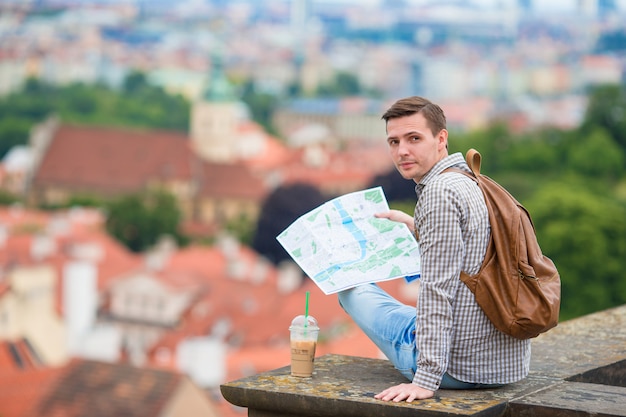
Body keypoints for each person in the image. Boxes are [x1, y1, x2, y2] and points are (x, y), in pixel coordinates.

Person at [337, 96, 531, 402]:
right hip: (504, 364)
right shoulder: (470, 179)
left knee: (351, 288)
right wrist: (416, 225)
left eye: (414, 138)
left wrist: (425, 380)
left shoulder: (438, 194)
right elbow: (473, 246)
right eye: (393, 141)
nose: (402, 151)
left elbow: (437, 290)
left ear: (441, 138)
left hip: (459, 369)